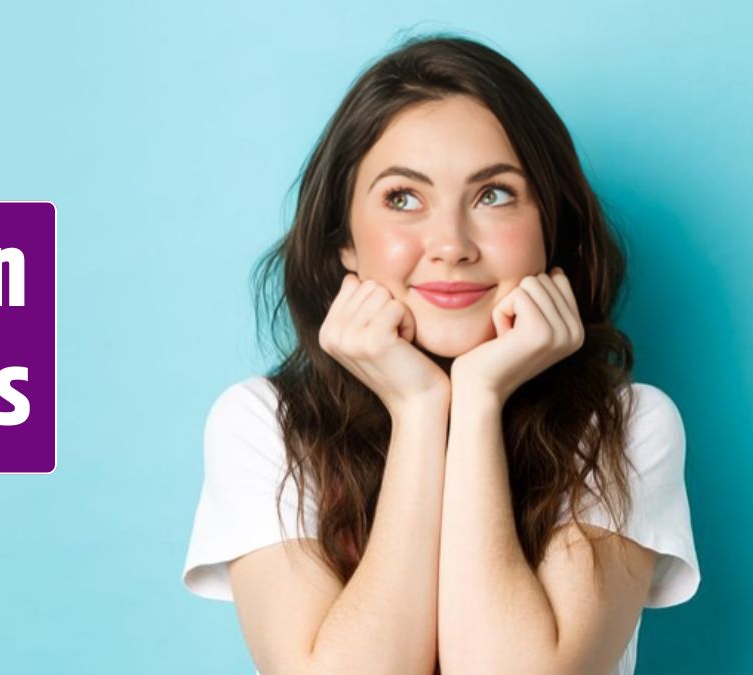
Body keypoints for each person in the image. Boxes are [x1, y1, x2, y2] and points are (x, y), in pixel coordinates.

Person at [181, 33, 700, 675]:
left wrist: (479, 400)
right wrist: (421, 407)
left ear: (552, 230)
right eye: (403, 198)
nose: (450, 244)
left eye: (494, 194)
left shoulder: (625, 427)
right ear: (344, 240)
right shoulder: (262, 426)